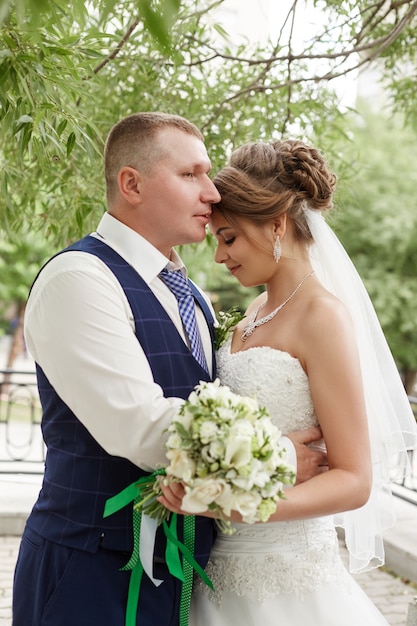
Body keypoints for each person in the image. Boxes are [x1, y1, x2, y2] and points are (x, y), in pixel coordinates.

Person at [12, 113, 327, 626]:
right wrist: (279, 459)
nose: (211, 192)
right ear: (131, 184)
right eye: (191, 175)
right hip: (91, 571)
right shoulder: (79, 279)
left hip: (180, 579)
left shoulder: (192, 296)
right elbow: (142, 427)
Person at [158, 138, 417, 626]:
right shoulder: (250, 315)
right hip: (217, 578)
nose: (218, 257)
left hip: (290, 581)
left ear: (276, 225)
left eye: (228, 237)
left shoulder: (324, 317)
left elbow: (354, 479)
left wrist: (236, 506)